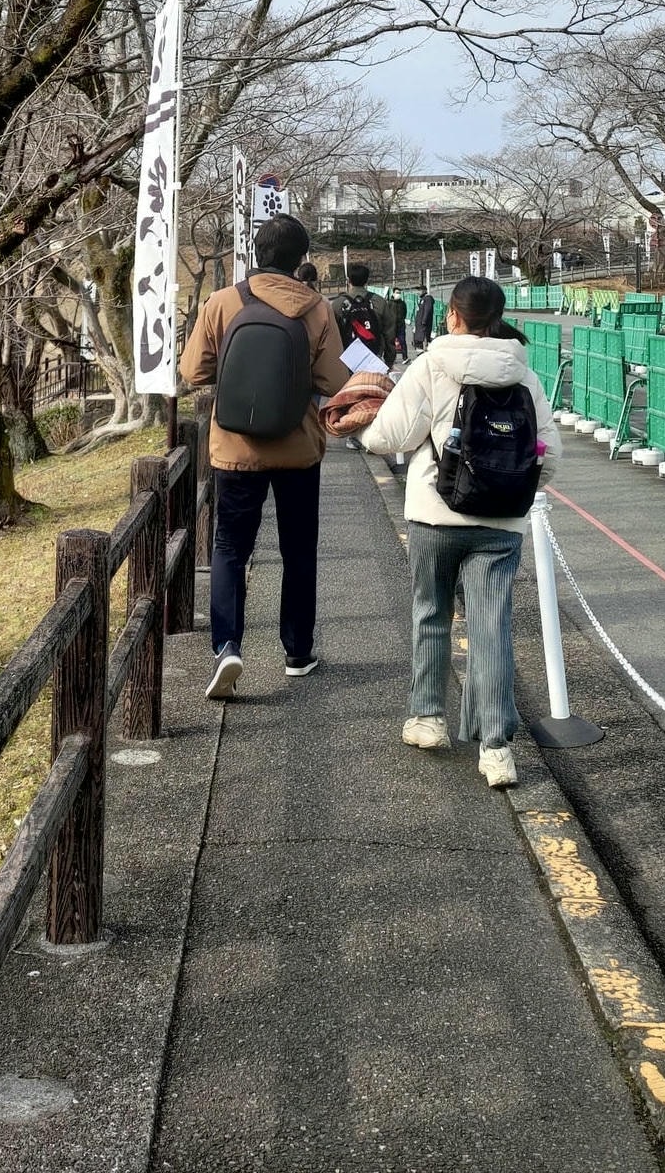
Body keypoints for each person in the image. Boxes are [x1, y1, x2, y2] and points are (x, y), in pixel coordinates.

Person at [361, 276, 560, 788]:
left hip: (435, 513)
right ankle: (496, 748)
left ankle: (428, 718)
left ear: (452, 315)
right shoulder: (524, 374)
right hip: (500, 522)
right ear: (497, 317)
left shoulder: (431, 365)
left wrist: (362, 426)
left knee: (431, 612)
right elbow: (549, 455)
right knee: (491, 626)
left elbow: (390, 435)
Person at [179, 214, 349, 699]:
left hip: (235, 448)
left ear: (256, 253)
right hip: (298, 450)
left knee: (231, 547)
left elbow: (193, 371)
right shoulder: (316, 308)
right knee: (298, 550)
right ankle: (297, 652)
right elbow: (335, 383)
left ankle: (227, 646)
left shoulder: (222, 302)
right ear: (301, 260)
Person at [333, 262, 395, 366]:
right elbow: (389, 333)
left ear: (348, 281)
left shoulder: (338, 304)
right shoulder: (379, 302)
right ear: (367, 280)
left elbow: (332, 336)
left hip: (347, 360)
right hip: (373, 358)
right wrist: (389, 360)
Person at [412, 287, 436, 352]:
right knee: (419, 339)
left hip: (424, 325)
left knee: (424, 338)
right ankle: (421, 351)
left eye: (419, 290)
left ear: (424, 291)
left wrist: (424, 321)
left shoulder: (428, 299)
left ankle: (425, 351)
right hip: (420, 324)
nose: (418, 292)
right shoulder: (422, 299)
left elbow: (427, 311)